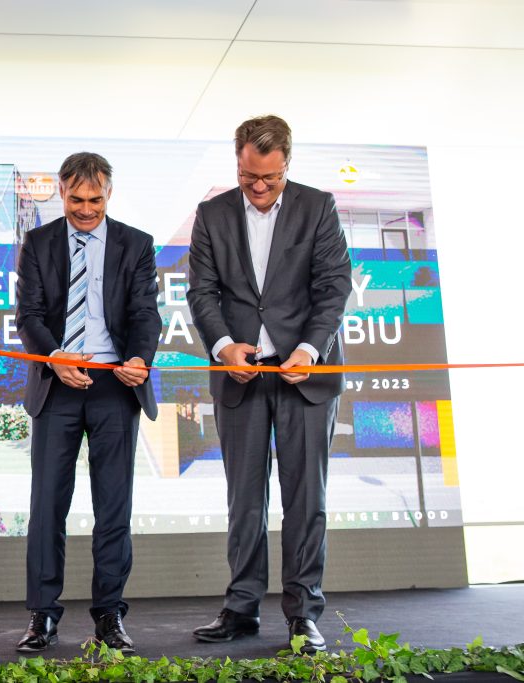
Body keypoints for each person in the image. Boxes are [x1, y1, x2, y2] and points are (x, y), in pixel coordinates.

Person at [186, 115, 352, 653]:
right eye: (248, 176)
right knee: (244, 501)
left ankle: (303, 613)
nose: (258, 188)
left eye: (270, 178)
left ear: (287, 164)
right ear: (237, 162)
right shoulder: (211, 214)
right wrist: (222, 345)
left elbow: (333, 288)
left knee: (306, 498)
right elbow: (202, 293)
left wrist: (308, 348)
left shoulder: (318, 206)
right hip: (241, 376)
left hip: (305, 374)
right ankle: (240, 608)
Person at [14, 152, 161, 654]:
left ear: (109, 194)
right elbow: (28, 314)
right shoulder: (37, 243)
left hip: (115, 386)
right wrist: (53, 356)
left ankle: (109, 616)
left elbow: (145, 311)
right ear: (61, 192)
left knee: (113, 508)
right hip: (57, 383)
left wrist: (140, 356)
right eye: (76, 199)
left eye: (95, 200)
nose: (85, 209)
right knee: (47, 506)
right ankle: (42, 617)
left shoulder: (136, 244)